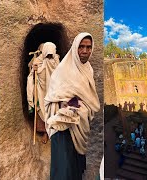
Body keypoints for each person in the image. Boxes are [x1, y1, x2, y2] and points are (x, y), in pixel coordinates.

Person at [44, 33, 100, 180]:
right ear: (75, 48)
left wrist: (79, 107)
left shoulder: (88, 69)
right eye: (81, 47)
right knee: (64, 169)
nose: (85, 51)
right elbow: (51, 99)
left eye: (88, 47)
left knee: (74, 168)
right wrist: (68, 106)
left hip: (79, 124)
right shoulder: (62, 71)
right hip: (63, 130)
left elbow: (89, 99)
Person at [27, 42, 60, 144]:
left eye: (51, 54)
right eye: (48, 54)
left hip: (53, 90)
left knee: (54, 110)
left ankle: (54, 131)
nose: (49, 57)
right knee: (42, 110)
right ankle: (45, 132)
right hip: (41, 91)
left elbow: (61, 74)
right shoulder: (37, 61)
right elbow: (31, 77)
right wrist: (34, 70)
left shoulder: (56, 60)